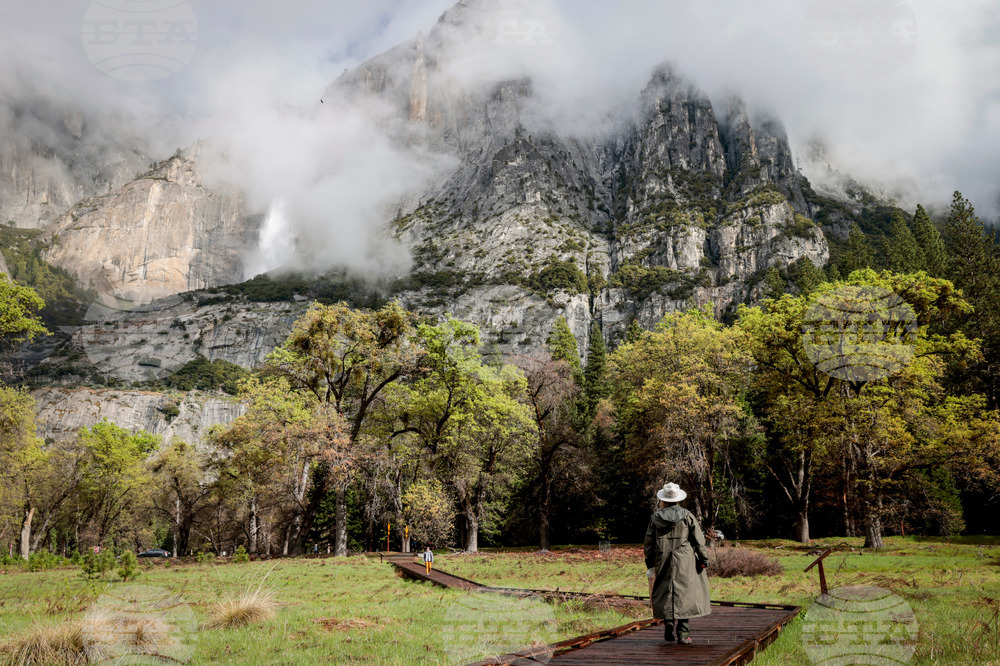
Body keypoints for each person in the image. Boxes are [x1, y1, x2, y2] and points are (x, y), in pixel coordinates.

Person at [643, 482, 711, 645]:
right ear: (678, 499)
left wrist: (650, 563)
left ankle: (668, 623)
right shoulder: (687, 515)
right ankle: (683, 634)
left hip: (662, 557)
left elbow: (649, 543)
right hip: (685, 559)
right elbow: (698, 541)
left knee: (666, 590)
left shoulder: (655, 518)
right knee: (684, 593)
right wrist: (703, 560)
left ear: (663, 500)